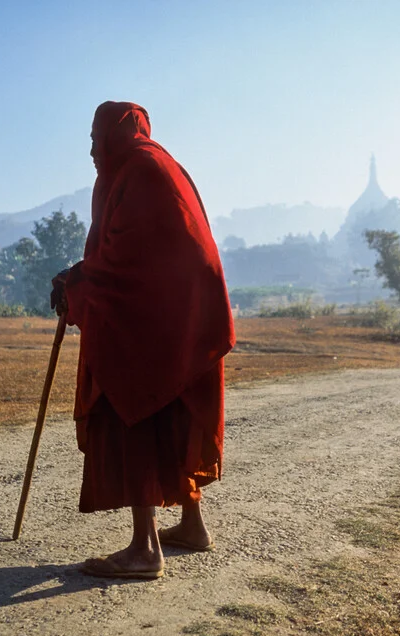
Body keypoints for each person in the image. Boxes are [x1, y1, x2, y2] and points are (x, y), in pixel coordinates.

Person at [50, 101, 235, 579]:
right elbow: (126, 249)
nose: (91, 148)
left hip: (158, 319)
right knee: (169, 409)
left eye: (96, 137)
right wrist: (82, 277)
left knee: (130, 407)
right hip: (176, 318)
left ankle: (144, 549)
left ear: (116, 134)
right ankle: (192, 526)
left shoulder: (143, 170)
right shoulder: (146, 166)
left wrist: (77, 282)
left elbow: (129, 260)